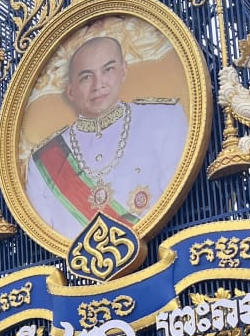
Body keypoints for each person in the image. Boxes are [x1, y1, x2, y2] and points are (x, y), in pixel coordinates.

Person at [25, 34, 188, 239]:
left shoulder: (164, 118)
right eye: (86, 77)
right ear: (71, 91)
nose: (98, 85)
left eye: (108, 70)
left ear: (123, 71)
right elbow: (47, 233)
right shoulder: (42, 161)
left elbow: (176, 195)